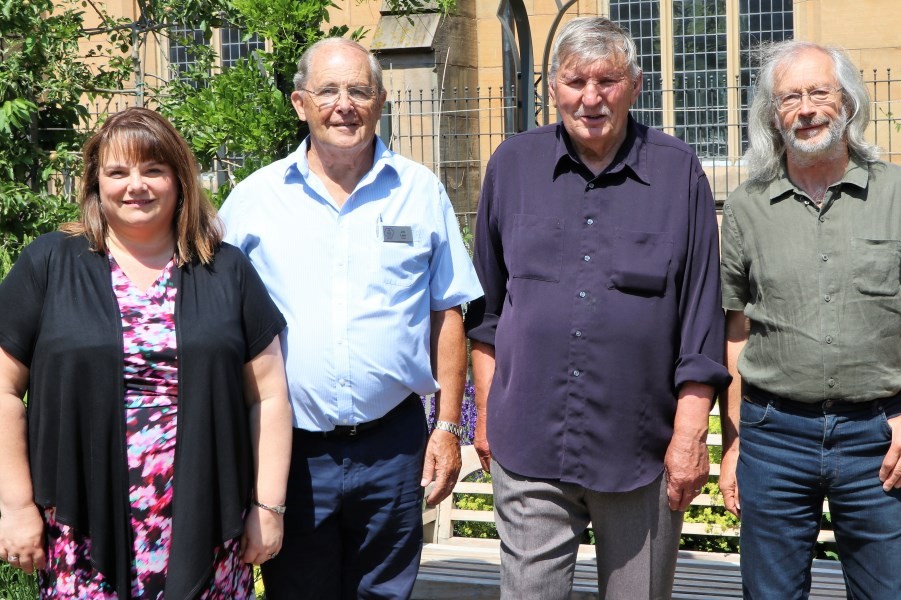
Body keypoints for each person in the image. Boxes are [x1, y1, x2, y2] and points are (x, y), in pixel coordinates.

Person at [464, 17, 730, 599]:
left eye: (607, 80)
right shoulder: (512, 165)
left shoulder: (677, 171)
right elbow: (483, 314)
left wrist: (689, 436)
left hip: (643, 448)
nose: (590, 97)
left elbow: (701, 319)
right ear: (552, 88)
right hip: (528, 441)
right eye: (573, 81)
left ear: (635, 85)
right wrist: (485, 417)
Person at [219, 37, 482, 599]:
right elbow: (214, 321)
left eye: (360, 91)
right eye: (329, 90)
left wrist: (448, 428)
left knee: (385, 593)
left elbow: (448, 314)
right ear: (300, 103)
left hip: (393, 447)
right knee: (297, 590)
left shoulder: (420, 192)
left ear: (381, 102)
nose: (345, 104)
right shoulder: (253, 201)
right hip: (291, 452)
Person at [0, 107, 291, 599]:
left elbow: (269, 396)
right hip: (82, 520)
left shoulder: (227, 269)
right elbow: (4, 390)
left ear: (179, 178)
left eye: (153, 169)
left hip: (207, 519)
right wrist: (15, 505)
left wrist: (268, 507)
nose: (136, 185)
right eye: (118, 172)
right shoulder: (48, 263)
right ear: (96, 183)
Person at [719, 40, 901, 599]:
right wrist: (734, 442)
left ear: (846, 100)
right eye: (789, 97)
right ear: (771, 115)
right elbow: (736, 330)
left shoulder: (899, 193)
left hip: (878, 440)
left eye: (819, 92)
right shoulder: (747, 206)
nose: (806, 109)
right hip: (772, 438)